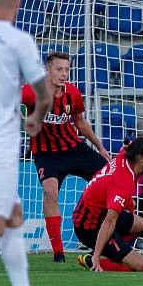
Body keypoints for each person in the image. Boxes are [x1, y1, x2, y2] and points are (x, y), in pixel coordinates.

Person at [0, 0, 61, 286]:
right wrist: (34, 118)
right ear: (18, 4)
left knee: (15, 217)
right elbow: (44, 94)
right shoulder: (19, 41)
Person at [21, 51, 111, 262]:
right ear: (48, 70)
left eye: (67, 69)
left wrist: (99, 147)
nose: (64, 74)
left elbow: (79, 121)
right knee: (50, 192)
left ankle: (117, 234)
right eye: (59, 69)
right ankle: (59, 253)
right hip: (47, 153)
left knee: (109, 178)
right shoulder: (31, 92)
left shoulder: (73, 93)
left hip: (73, 148)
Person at [72, 138, 143, 273]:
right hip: (88, 227)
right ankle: (92, 260)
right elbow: (109, 221)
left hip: (100, 215)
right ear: (140, 159)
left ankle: (113, 248)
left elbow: (126, 146)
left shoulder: (125, 157)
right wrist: (97, 255)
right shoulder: (122, 183)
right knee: (140, 265)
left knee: (142, 225)